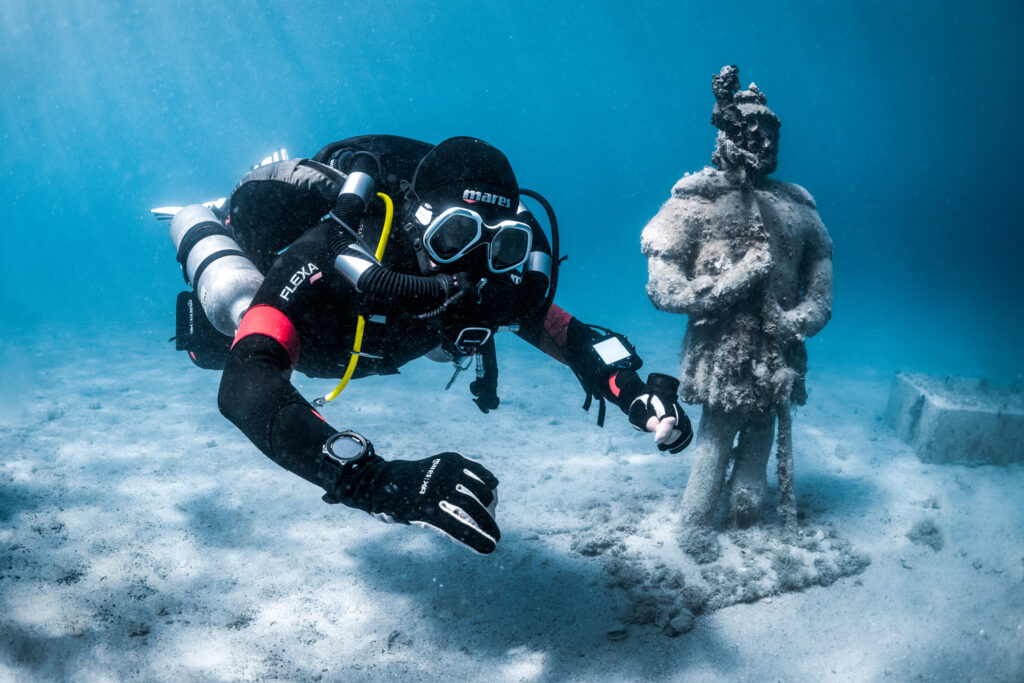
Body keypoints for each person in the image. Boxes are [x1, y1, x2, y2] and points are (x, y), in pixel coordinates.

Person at [168, 135, 692, 555]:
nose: (473, 268)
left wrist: (637, 395)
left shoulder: (493, 279)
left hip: (379, 343)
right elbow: (245, 386)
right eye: (453, 236)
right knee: (225, 324)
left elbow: (569, 335)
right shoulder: (337, 248)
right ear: (419, 228)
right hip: (320, 329)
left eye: (500, 245)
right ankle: (211, 217)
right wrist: (371, 480)